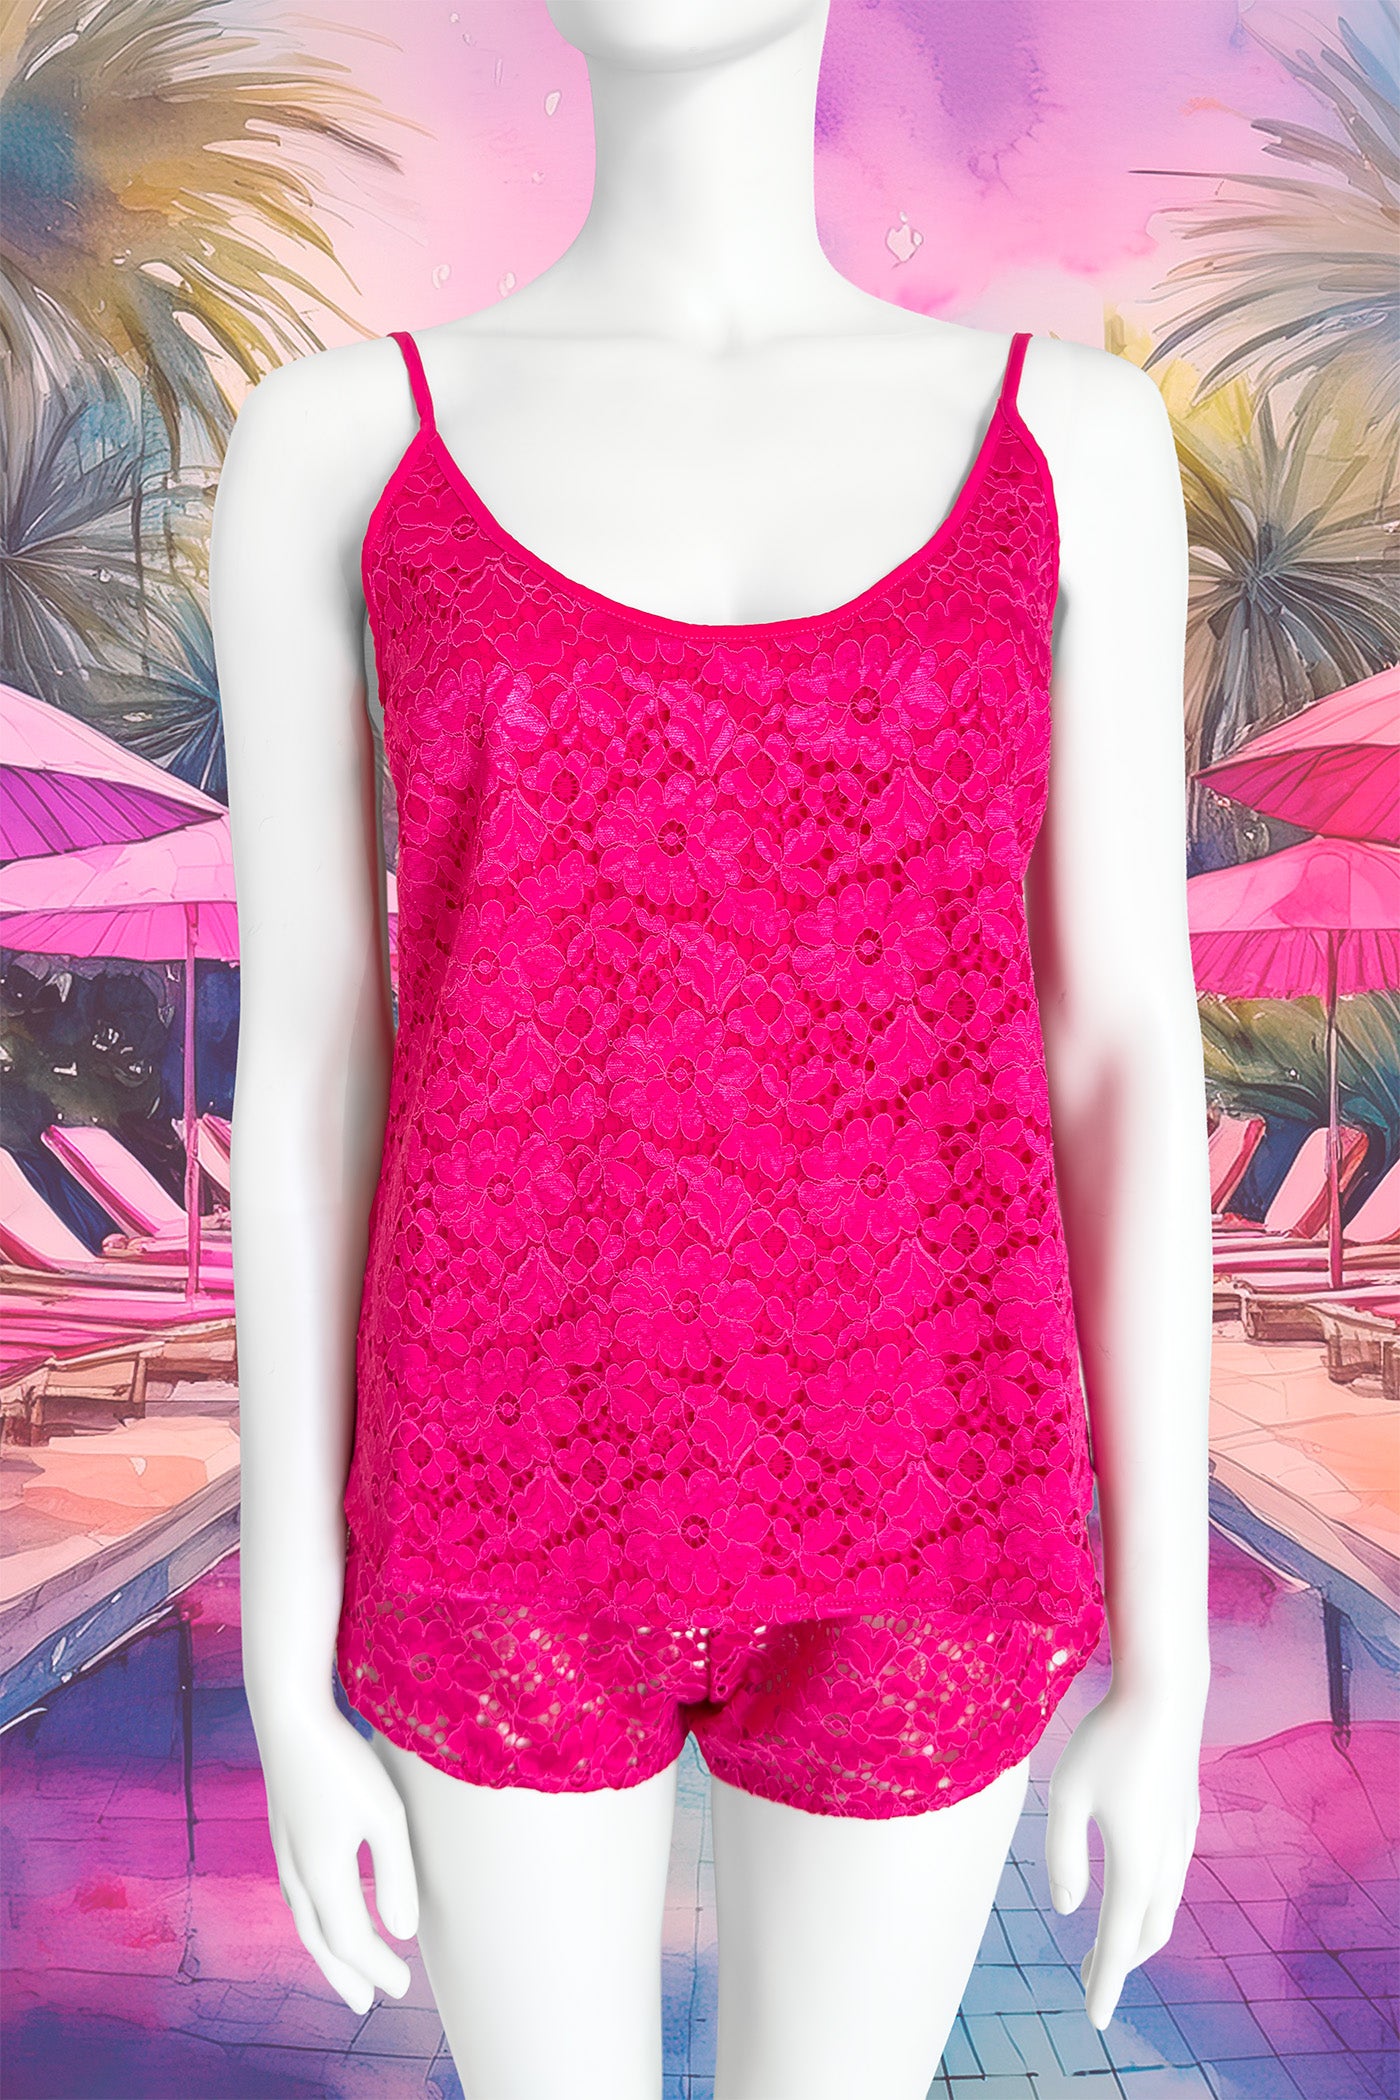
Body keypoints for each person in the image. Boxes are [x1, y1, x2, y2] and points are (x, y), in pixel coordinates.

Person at [210, 3, 1212, 2094]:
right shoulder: (344, 444)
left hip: (933, 1481)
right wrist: (289, 1660)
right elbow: (308, 1066)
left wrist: (1175, 1647)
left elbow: (1121, 1041)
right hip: (497, 1479)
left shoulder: (1074, 443)